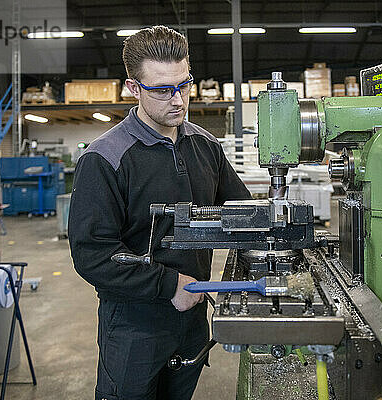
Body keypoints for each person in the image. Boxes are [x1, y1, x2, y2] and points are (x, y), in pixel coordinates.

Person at [68, 25, 251, 400]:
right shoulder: (105, 158)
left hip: (193, 321)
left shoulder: (205, 146)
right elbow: (92, 255)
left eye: (184, 85)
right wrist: (169, 285)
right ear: (133, 88)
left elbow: (241, 212)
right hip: (135, 328)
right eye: (162, 90)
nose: (178, 100)